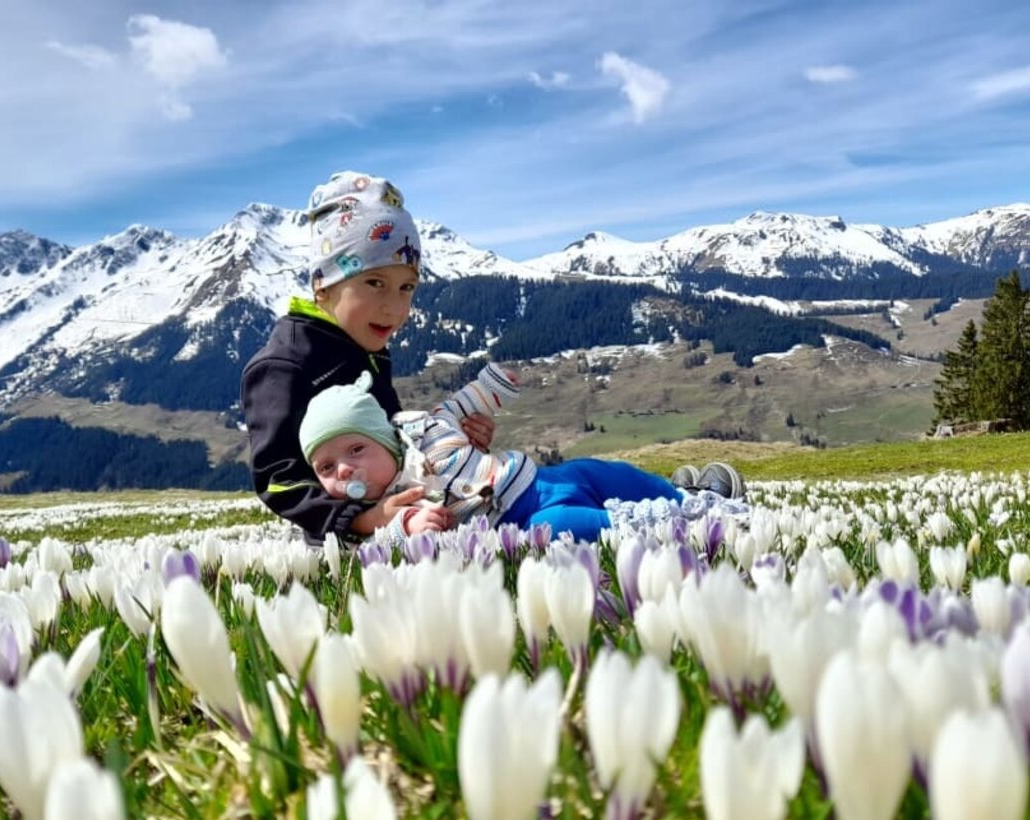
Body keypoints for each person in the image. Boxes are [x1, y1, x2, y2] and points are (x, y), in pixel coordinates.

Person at [240, 171, 494, 544]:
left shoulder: (363, 347)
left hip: (405, 520)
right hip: (339, 546)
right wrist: (360, 520)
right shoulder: (284, 365)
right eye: (374, 283)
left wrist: (453, 447)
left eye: (406, 287)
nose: (394, 307)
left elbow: (391, 439)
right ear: (322, 284)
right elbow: (278, 480)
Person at [297, 365, 746, 544]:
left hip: (541, 478)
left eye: (356, 449)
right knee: (580, 529)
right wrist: (407, 524)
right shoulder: (392, 508)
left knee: (611, 475)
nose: (345, 469)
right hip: (521, 524)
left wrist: (488, 387)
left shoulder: (422, 430)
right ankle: (697, 522)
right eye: (326, 467)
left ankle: (684, 493)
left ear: (386, 439)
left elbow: (456, 407)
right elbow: (388, 546)